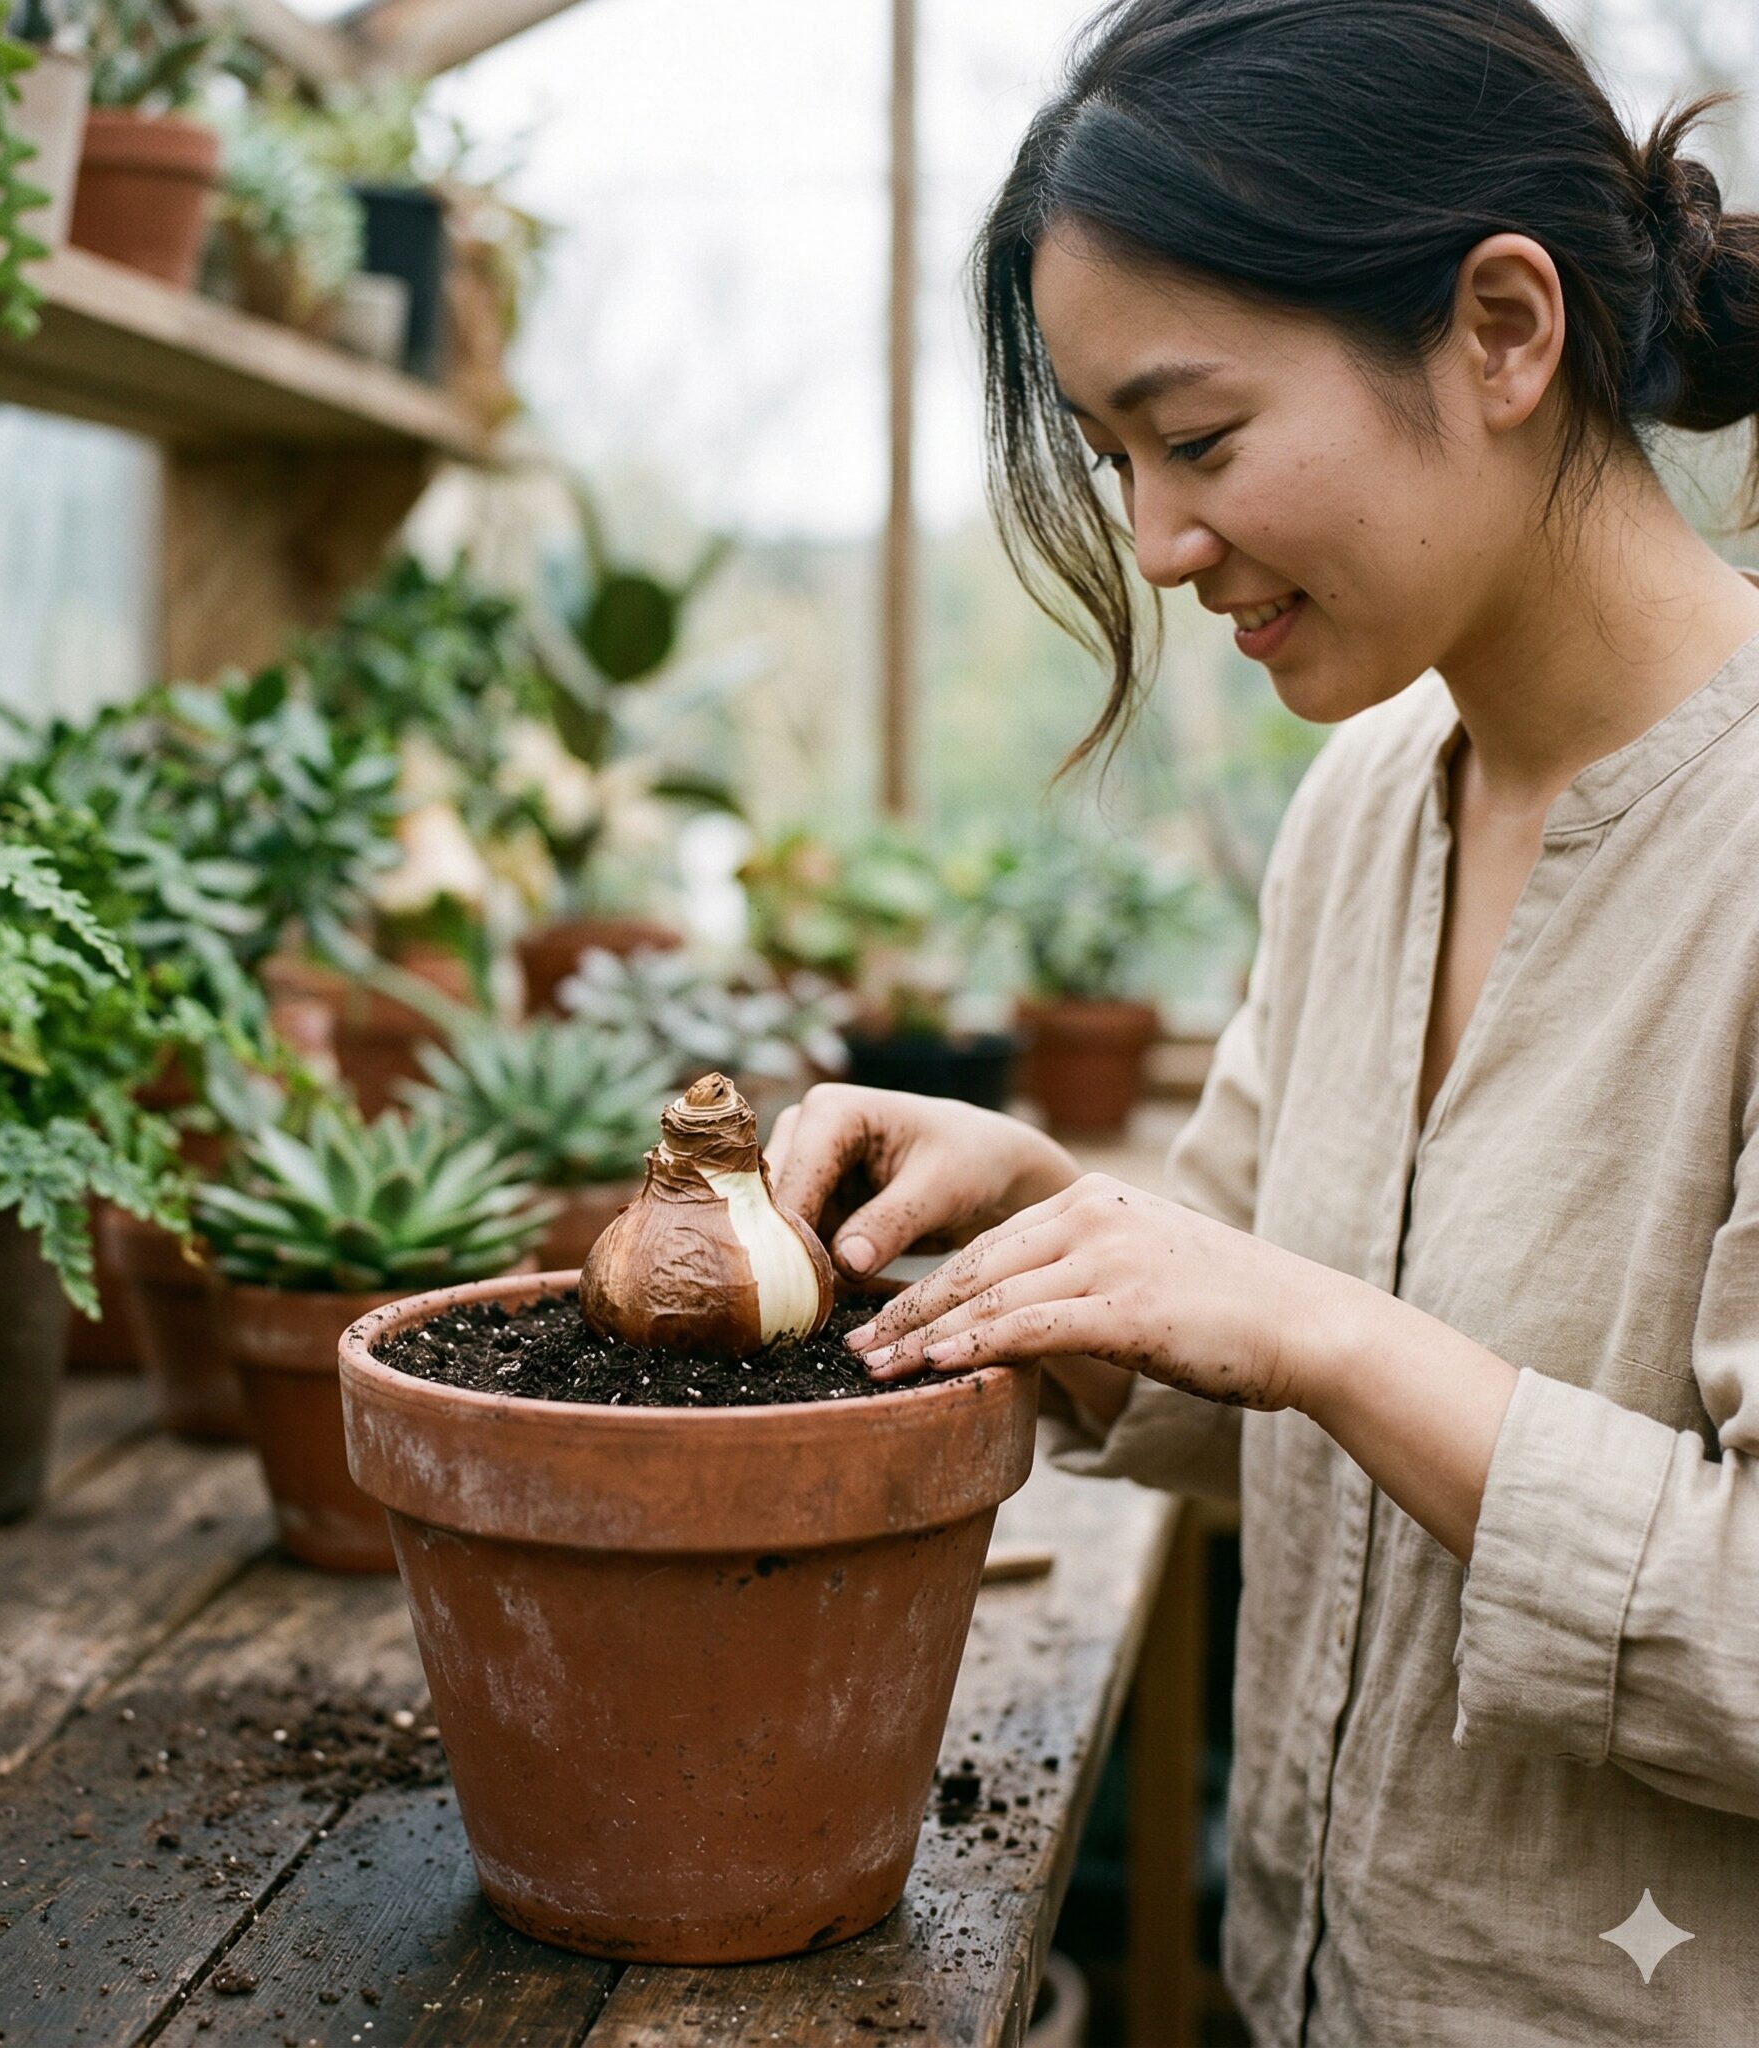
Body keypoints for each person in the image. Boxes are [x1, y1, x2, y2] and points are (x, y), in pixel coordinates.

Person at [765, 1, 1759, 2040]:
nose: (1153, 541)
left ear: (1500, 328)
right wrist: (1031, 1218)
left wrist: (1322, 1329)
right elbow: (1265, 1374)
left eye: (1195, 438)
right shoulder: (1370, 799)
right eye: (1115, 459)